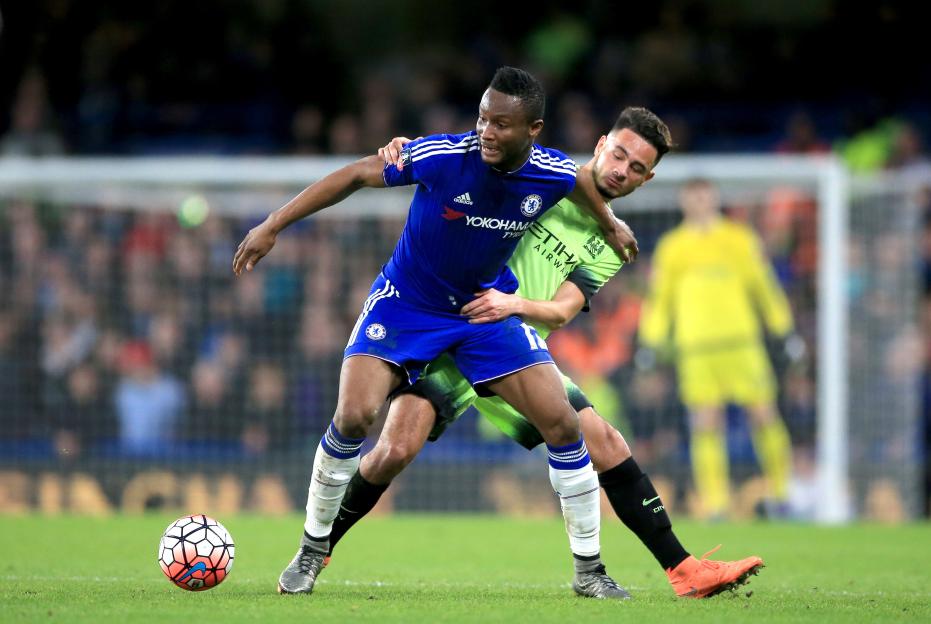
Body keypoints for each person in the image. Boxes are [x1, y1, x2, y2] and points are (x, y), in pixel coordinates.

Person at [324, 109, 763, 600]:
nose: (622, 170)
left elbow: (562, 311)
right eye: (618, 154)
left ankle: (684, 570)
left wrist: (515, 304)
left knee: (606, 441)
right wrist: (406, 148)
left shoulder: (613, 245)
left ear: (649, 177)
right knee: (392, 451)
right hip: (449, 329)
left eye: (637, 168)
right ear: (599, 146)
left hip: (510, 350)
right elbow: (474, 154)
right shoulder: (544, 177)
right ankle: (317, 549)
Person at [233, 67, 637, 597]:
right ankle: (311, 550)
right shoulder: (444, 156)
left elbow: (579, 181)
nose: (486, 131)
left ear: (533, 129)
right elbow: (356, 174)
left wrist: (608, 223)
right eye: (482, 118)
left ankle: (590, 573)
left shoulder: (551, 172)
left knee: (563, 425)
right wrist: (272, 225)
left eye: (501, 124)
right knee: (355, 416)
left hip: (480, 313)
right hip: (407, 305)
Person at [639, 178, 796, 520]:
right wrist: (650, 340)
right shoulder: (673, 246)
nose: (699, 203)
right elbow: (659, 299)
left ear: (714, 200)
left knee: (763, 413)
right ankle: (716, 504)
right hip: (695, 348)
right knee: (705, 423)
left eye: (705, 197)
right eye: (693, 197)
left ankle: (782, 495)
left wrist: (783, 329)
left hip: (741, 343)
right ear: (684, 202)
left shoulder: (739, 239)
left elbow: (763, 288)